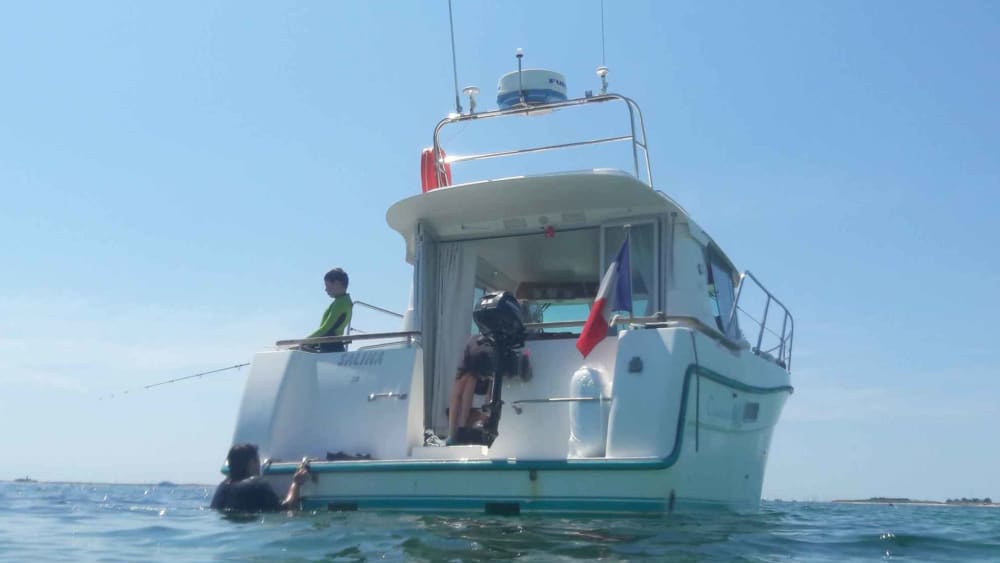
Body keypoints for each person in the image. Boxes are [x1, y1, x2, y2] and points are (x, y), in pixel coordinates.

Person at [210, 443, 310, 512]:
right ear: (251, 464)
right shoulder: (257, 485)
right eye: (257, 461)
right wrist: (296, 483)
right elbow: (287, 508)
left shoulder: (222, 487)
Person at [304, 267, 353, 353]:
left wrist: (303, 342)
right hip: (332, 348)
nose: (326, 289)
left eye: (327, 286)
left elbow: (325, 329)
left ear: (337, 283)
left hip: (331, 349)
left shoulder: (340, 303)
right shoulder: (344, 301)